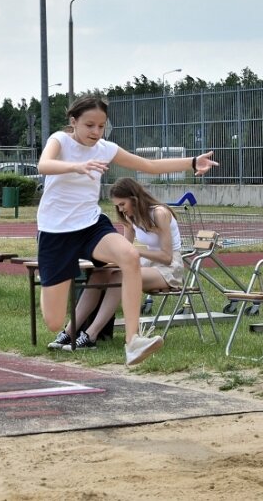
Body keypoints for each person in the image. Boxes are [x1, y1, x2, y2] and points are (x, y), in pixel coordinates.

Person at [36, 96, 217, 366]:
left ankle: (133, 341)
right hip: (55, 231)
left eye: (101, 126)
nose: (96, 132)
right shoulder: (59, 141)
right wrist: (77, 166)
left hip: (89, 224)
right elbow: (44, 165)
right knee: (53, 321)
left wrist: (191, 162)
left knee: (129, 257)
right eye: (89, 125)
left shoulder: (105, 148)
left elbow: (150, 166)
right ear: (73, 122)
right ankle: (50, 281)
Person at [48, 177, 185, 351]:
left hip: (169, 268)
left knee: (120, 277)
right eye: (117, 206)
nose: (121, 209)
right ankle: (69, 332)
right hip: (146, 265)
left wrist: (135, 252)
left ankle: (90, 335)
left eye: (122, 204)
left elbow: (166, 256)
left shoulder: (159, 213)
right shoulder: (130, 218)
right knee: (99, 275)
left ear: (134, 199)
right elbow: (124, 249)